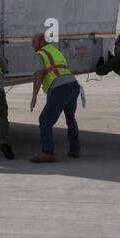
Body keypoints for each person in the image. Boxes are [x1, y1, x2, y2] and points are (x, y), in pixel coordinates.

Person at [29, 32, 81, 162]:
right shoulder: (54, 50)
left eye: (34, 42)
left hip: (60, 87)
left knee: (45, 120)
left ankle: (48, 152)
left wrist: (34, 95)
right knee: (70, 119)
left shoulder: (40, 54)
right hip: (73, 84)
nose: (32, 45)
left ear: (41, 42)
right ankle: (74, 150)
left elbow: (39, 74)